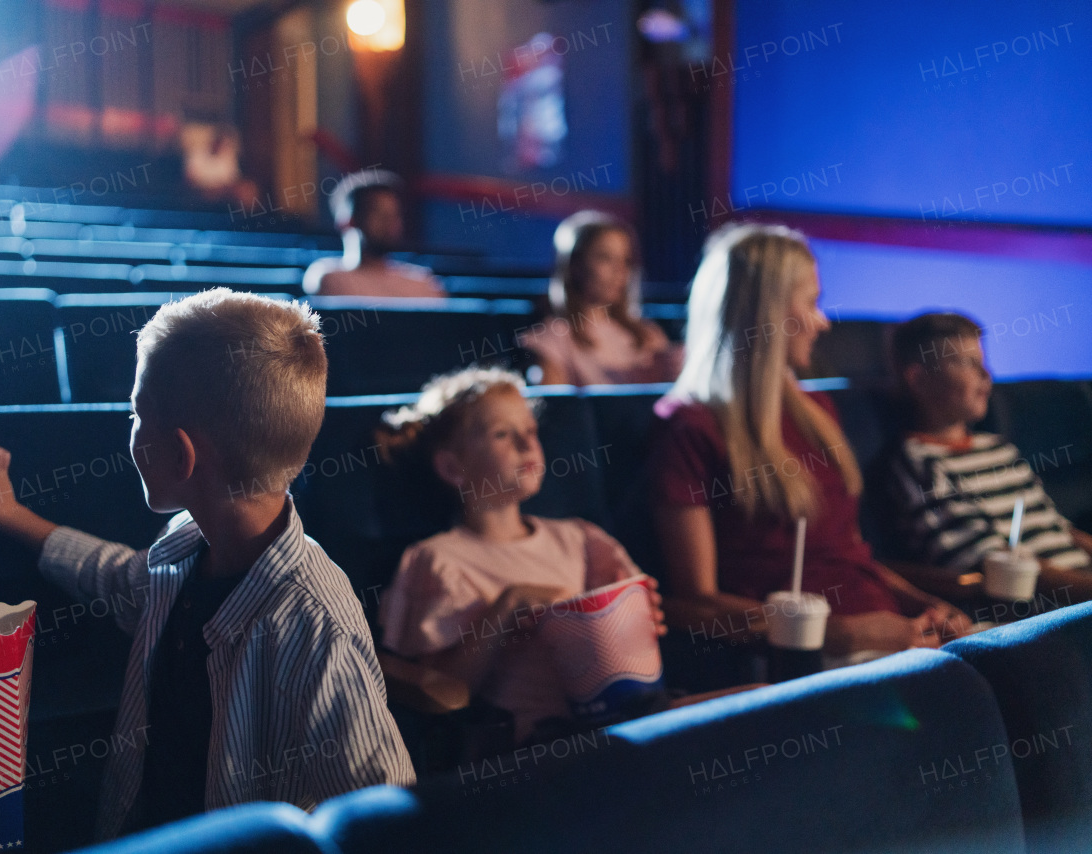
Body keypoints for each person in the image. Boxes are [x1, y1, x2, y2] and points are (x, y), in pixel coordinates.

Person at [0, 289, 415, 840]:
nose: (131, 428)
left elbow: (387, 814)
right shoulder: (188, 547)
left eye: (136, 414)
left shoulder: (314, 627)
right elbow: (118, 578)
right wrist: (11, 517)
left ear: (180, 454)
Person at [648, 224, 973, 658]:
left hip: (898, 637)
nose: (823, 322)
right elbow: (697, 604)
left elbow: (850, 557)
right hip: (814, 661)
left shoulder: (816, 408)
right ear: (766, 314)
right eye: (812, 302)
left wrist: (928, 606)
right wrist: (844, 635)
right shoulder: (692, 428)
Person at [375, 366, 667, 745]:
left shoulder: (581, 537)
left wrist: (641, 616)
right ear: (452, 467)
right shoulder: (437, 560)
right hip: (540, 741)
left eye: (530, 431)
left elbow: (630, 614)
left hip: (631, 713)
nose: (527, 445)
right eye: (502, 434)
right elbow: (445, 688)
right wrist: (509, 605)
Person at [884, 311, 1092, 593]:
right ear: (919, 380)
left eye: (982, 362)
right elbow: (994, 564)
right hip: (1042, 605)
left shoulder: (998, 448)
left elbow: (1058, 530)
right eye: (967, 363)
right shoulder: (918, 463)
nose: (986, 375)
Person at [519, 210, 682, 386]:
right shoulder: (551, 341)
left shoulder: (648, 335)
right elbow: (556, 409)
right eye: (605, 258)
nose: (620, 270)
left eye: (625, 260)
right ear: (575, 265)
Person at [302, 169, 446, 298]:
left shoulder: (424, 283)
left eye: (394, 215)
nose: (390, 222)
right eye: (378, 214)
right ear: (347, 221)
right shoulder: (330, 278)